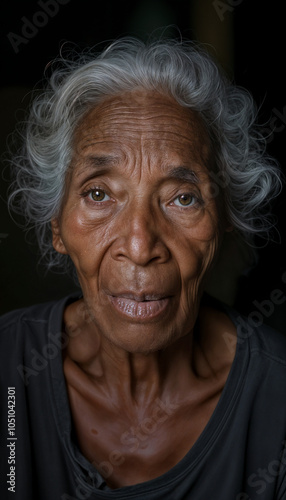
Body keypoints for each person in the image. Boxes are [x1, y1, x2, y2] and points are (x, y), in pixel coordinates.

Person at [1, 37, 286, 500]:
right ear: (57, 225)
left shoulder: (276, 402)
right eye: (98, 194)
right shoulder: (7, 371)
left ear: (224, 222)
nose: (139, 246)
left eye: (182, 197)